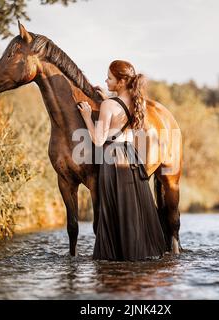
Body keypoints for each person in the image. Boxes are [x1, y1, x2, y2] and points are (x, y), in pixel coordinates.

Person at [77, 60, 166, 261]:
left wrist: (86, 116)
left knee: (112, 209)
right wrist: (107, 99)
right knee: (134, 208)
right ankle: (141, 254)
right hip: (132, 157)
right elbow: (121, 117)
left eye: (109, 78)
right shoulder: (137, 101)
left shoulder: (109, 104)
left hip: (112, 159)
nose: (105, 81)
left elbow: (99, 140)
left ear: (121, 81)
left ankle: (114, 257)